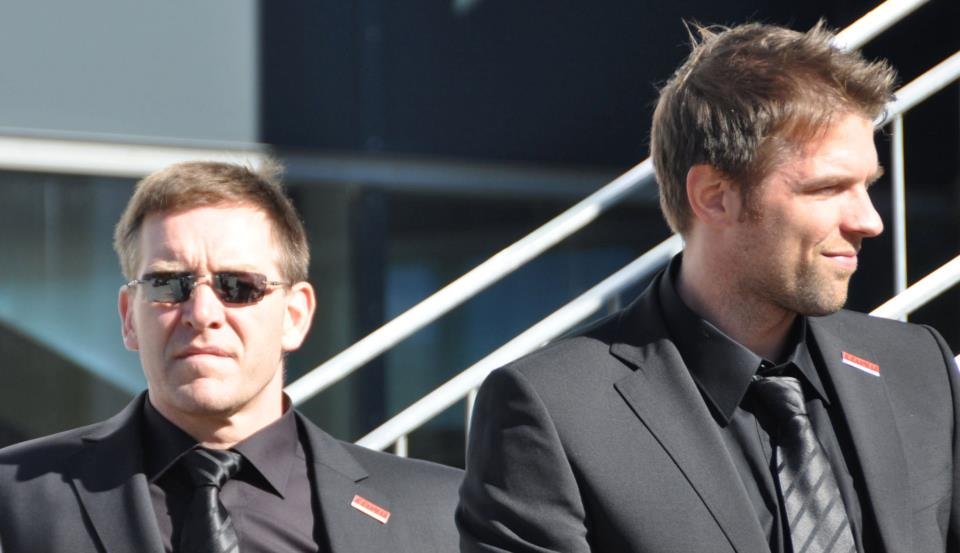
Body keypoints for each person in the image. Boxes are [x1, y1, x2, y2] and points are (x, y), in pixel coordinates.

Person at [457, 22, 959, 553]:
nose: (869, 220)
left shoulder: (916, 367)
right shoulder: (555, 410)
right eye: (828, 188)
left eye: (867, 185)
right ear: (714, 196)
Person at [0, 161, 461, 553]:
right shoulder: (15, 496)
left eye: (238, 286)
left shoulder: (437, 514)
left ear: (294, 315)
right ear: (128, 317)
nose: (202, 314)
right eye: (168, 284)